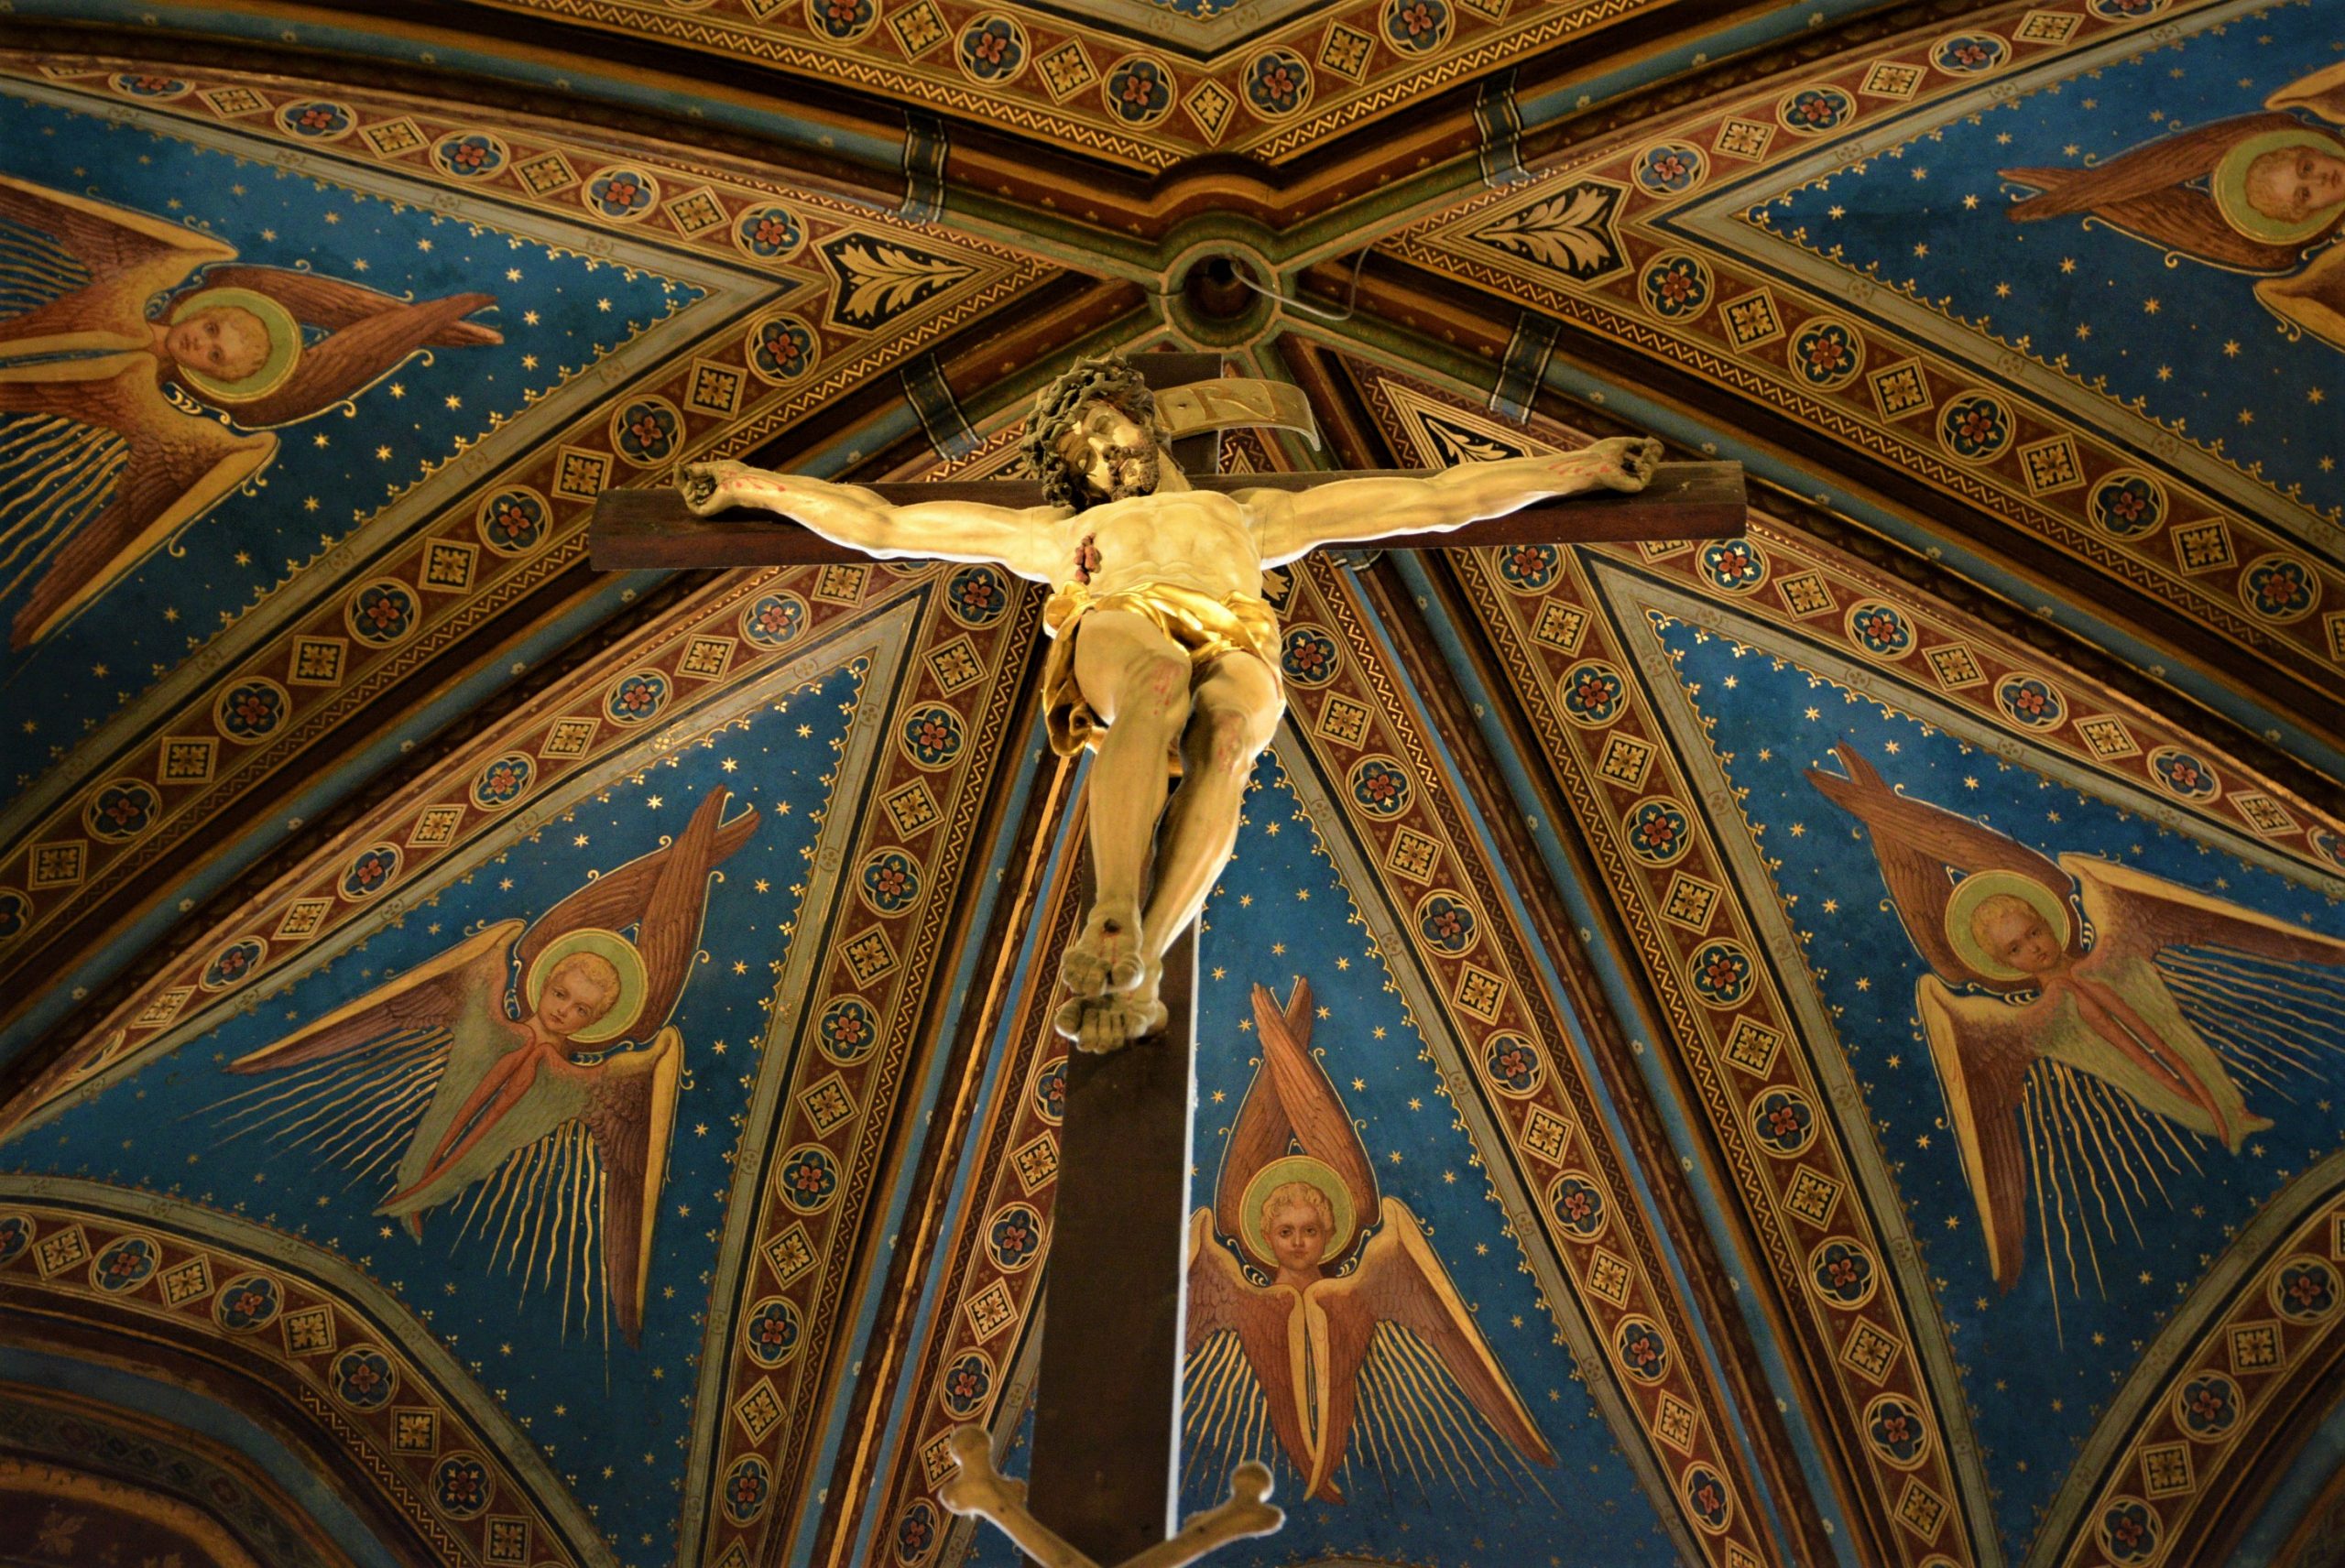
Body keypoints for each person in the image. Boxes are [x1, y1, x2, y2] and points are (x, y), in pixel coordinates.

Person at [682, 351, 1659, 1050]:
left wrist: (1576, 469)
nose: (1103, 455)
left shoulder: (1247, 513)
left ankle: (1141, 952)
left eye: (1106, 428)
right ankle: (1111, 898)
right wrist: (755, 486)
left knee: (1230, 734)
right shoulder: (1057, 536)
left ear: (1139, 418)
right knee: (1154, 683)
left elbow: (1438, 499)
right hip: (1121, 617)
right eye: (1081, 452)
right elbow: (885, 522)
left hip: (1235, 630)